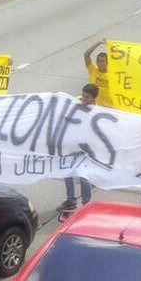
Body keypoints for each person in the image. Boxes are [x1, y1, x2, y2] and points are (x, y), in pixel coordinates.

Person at [60, 84, 99, 212]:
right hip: (71, 145)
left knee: (84, 176)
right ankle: (70, 199)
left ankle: (86, 203)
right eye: (82, 95)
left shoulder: (96, 112)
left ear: (94, 98)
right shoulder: (75, 103)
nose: (83, 99)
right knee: (67, 172)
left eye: (87, 97)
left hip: (86, 149)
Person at [82, 38, 112, 107]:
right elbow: (86, 55)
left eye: (102, 61)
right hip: (93, 105)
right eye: (98, 61)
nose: (100, 63)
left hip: (109, 107)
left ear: (107, 62)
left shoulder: (112, 75)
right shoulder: (93, 70)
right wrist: (98, 42)